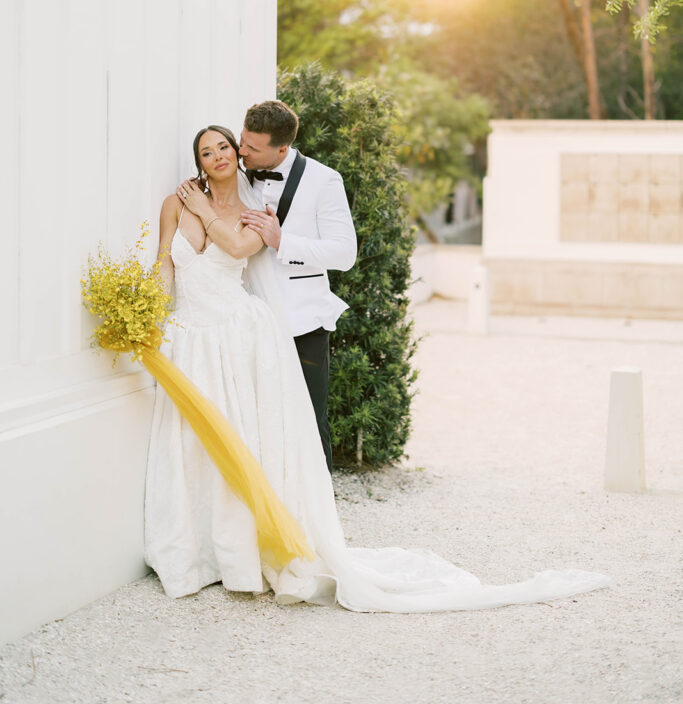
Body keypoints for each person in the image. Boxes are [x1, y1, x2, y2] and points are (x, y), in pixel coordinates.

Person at [144, 123, 609, 611]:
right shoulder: (177, 202)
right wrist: (149, 315)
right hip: (189, 335)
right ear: (198, 161)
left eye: (227, 147)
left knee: (248, 436)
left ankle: (248, 547)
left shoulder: (258, 210)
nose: (222, 154)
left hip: (239, 333)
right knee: (189, 439)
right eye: (208, 151)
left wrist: (207, 212)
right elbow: (164, 262)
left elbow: (244, 249)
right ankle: (196, 546)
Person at [237, 100, 357, 471]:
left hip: (302, 321)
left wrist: (282, 241)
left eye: (253, 148)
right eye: (243, 141)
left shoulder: (324, 180)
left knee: (308, 418)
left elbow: (344, 253)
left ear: (282, 149)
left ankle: (320, 503)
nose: (242, 151)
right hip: (245, 317)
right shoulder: (235, 172)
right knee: (253, 418)